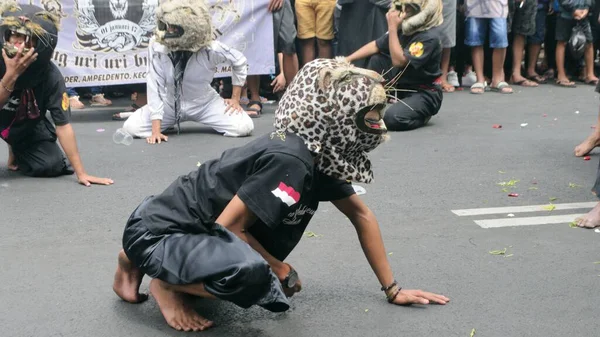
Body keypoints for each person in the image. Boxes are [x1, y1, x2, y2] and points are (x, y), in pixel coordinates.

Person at [112, 58, 449, 332]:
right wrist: (278, 268)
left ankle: (146, 263)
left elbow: (361, 216)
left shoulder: (319, 151)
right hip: (159, 231)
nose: (378, 127)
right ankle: (164, 282)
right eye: (371, 119)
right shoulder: (292, 158)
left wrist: (393, 290)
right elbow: (228, 227)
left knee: (263, 260)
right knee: (254, 278)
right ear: (340, 119)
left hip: (180, 229)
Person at [0, 3, 112, 186]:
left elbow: (63, 125)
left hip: (25, 123)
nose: (17, 42)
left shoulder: (51, 76)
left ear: (38, 44)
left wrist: (81, 173)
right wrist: (10, 76)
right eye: (14, 35)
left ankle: (17, 148)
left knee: (50, 165)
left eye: (25, 38)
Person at [120, 0, 254, 144]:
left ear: (189, 28)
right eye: (167, 25)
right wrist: (156, 131)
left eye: (173, 27)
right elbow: (155, 85)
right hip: (170, 104)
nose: (168, 31)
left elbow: (239, 61)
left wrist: (235, 98)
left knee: (244, 127)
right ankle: (166, 123)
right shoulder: (157, 45)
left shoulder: (210, 49)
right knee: (130, 128)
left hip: (205, 103)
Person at [345, 0, 444, 131]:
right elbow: (376, 45)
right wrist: (346, 60)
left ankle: (421, 115)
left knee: (392, 119)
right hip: (403, 86)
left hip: (425, 92)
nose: (405, 10)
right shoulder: (405, 30)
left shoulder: (429, 37)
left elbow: (399, 62)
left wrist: (391, 28)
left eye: (409, 7)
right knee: (377, 58)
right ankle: (370, 104)